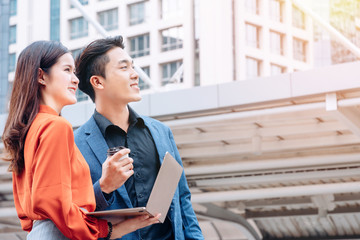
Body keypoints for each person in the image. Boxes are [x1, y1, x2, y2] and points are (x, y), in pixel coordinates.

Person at [2, 40, 160, 240]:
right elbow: (53, 202)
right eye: (67, 70)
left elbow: (45, 205)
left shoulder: (31, 128)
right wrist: (103, 228)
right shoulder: (56, 126)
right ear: (41, 76)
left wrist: (119, 224)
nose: (75, 79)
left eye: (74, 72)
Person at [74, 35, 204, 240]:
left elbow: (181, 199)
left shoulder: (161, 132)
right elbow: (73, 213)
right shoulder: (75, 144)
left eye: (132, 67)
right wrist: (103, 187)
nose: (135, 75)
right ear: (98, 81)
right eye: (124, 68)